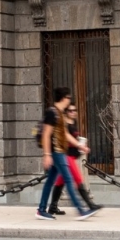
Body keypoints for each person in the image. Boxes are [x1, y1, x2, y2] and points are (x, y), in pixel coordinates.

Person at [37, 87, 99, 220]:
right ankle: (81, 210)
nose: (70, 100)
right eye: (69, 97)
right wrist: (47, 154)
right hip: (56, 153)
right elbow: (46, 135)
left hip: (59, 152)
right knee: (69, 179)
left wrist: (79, 146)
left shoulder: (59, 113)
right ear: (64, 98)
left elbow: (65, 134)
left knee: (50, 182)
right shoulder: (52, 113)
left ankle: (41, 209)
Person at [47, 104, 102, 215]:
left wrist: (79, 146)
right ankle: (90, 205)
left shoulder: (72, 124)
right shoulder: (65, 125)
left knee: (60, 181)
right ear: (66, 112)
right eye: (71, 111)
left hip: (71, 156)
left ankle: (53, 206)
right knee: (78, 179)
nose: (73, 112)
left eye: (75, 110)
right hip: (66, 157)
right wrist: (80, 146)